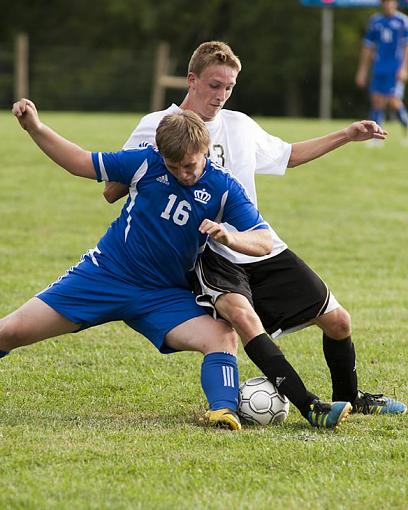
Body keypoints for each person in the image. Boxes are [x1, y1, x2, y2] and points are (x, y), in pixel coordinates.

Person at [104, 41, 407, 422]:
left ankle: (349, 397)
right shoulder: (156, 126)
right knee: (243, 318)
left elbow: (288, 155)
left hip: (258, 243)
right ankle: (311, 407)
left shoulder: (240, 125)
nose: (221, 95)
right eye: (215, 85)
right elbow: (112, 190)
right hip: (209, 253)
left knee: (338, 320)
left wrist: (345, 135)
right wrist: (159, 160)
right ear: (192, 80)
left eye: (229, 87)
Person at [3, 99, 278, 432]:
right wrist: (35, 127)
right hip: (106, 275)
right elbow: (79, 161)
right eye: (173, 167)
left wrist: (230, 238)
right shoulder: (146, 163)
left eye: (189, 166)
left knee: (221, 335)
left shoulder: (223, 188)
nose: (183, 174)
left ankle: (222, 411)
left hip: (162, 295)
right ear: (161, 154)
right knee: (11, 331)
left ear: (205, 150)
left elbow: (263, 240)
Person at [355, 0, 408, 137]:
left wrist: (404, 68)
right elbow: (368, 47)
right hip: (379, 67)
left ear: (395, 3)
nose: (388, 5)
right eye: (385, 2)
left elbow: (406, 47)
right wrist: (362, 71)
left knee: (393, 100)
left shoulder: (403, 21)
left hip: (395, 68)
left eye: (390, 2)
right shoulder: (375, 21)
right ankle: (376, 136)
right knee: (377, 101)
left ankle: (406, 125)